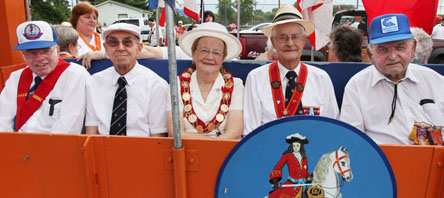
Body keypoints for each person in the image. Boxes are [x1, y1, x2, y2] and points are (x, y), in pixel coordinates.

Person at [340, 14, 444, 145]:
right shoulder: (357, 86)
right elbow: (352, 141)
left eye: (400, 47)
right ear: (370, 54)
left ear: (413, 48)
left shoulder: (436, 81)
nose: (393, 57)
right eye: (383, 50)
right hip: (382, 163)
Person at [243, 5, 339, 134]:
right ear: (273, 42)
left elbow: (331, 128)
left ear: (304, 40)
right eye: (283, 37)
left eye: (295, 37)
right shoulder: (255, 78)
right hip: (267, 151)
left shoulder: (321, 78)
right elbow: (250, 131)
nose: (289, 43)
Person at [0, 21, 89, 133]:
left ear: (57, 51)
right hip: (17, 146)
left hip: (54, 147)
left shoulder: (75, 75)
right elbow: (2, 121)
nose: (39, 58)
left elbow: (69, 127)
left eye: (45, 51)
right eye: (31, 52)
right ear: (23, 55)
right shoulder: (15, 78)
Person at [85, 23, 168, 137]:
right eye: (113, 42)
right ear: (106, 49)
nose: (120, 48)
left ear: (139, 49)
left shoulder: (156, 85)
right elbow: (91, 132)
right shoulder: (93, 82)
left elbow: (158, 137)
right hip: (103, 150)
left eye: (127, 42)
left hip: (142, 151)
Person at [166, 22, 243, 139]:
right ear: (193, 54)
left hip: (224, 153)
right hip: (185, 152)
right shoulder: (176, 85)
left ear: (223, 58)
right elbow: (175, 133)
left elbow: (235, 132)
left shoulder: (236, 85)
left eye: (216, 53)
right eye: (204, 50)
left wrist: (211, 150)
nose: (210, 57)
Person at [269, 133, 311, 197]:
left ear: (301, 146)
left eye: (297, 146)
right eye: (294, 146)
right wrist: (275, 181)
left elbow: (305, 171)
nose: (295, 148)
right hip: (290, 185)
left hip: (303, 186)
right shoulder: (287, 156)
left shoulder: (304, 158)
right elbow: (278, 167)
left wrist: (308, 178)